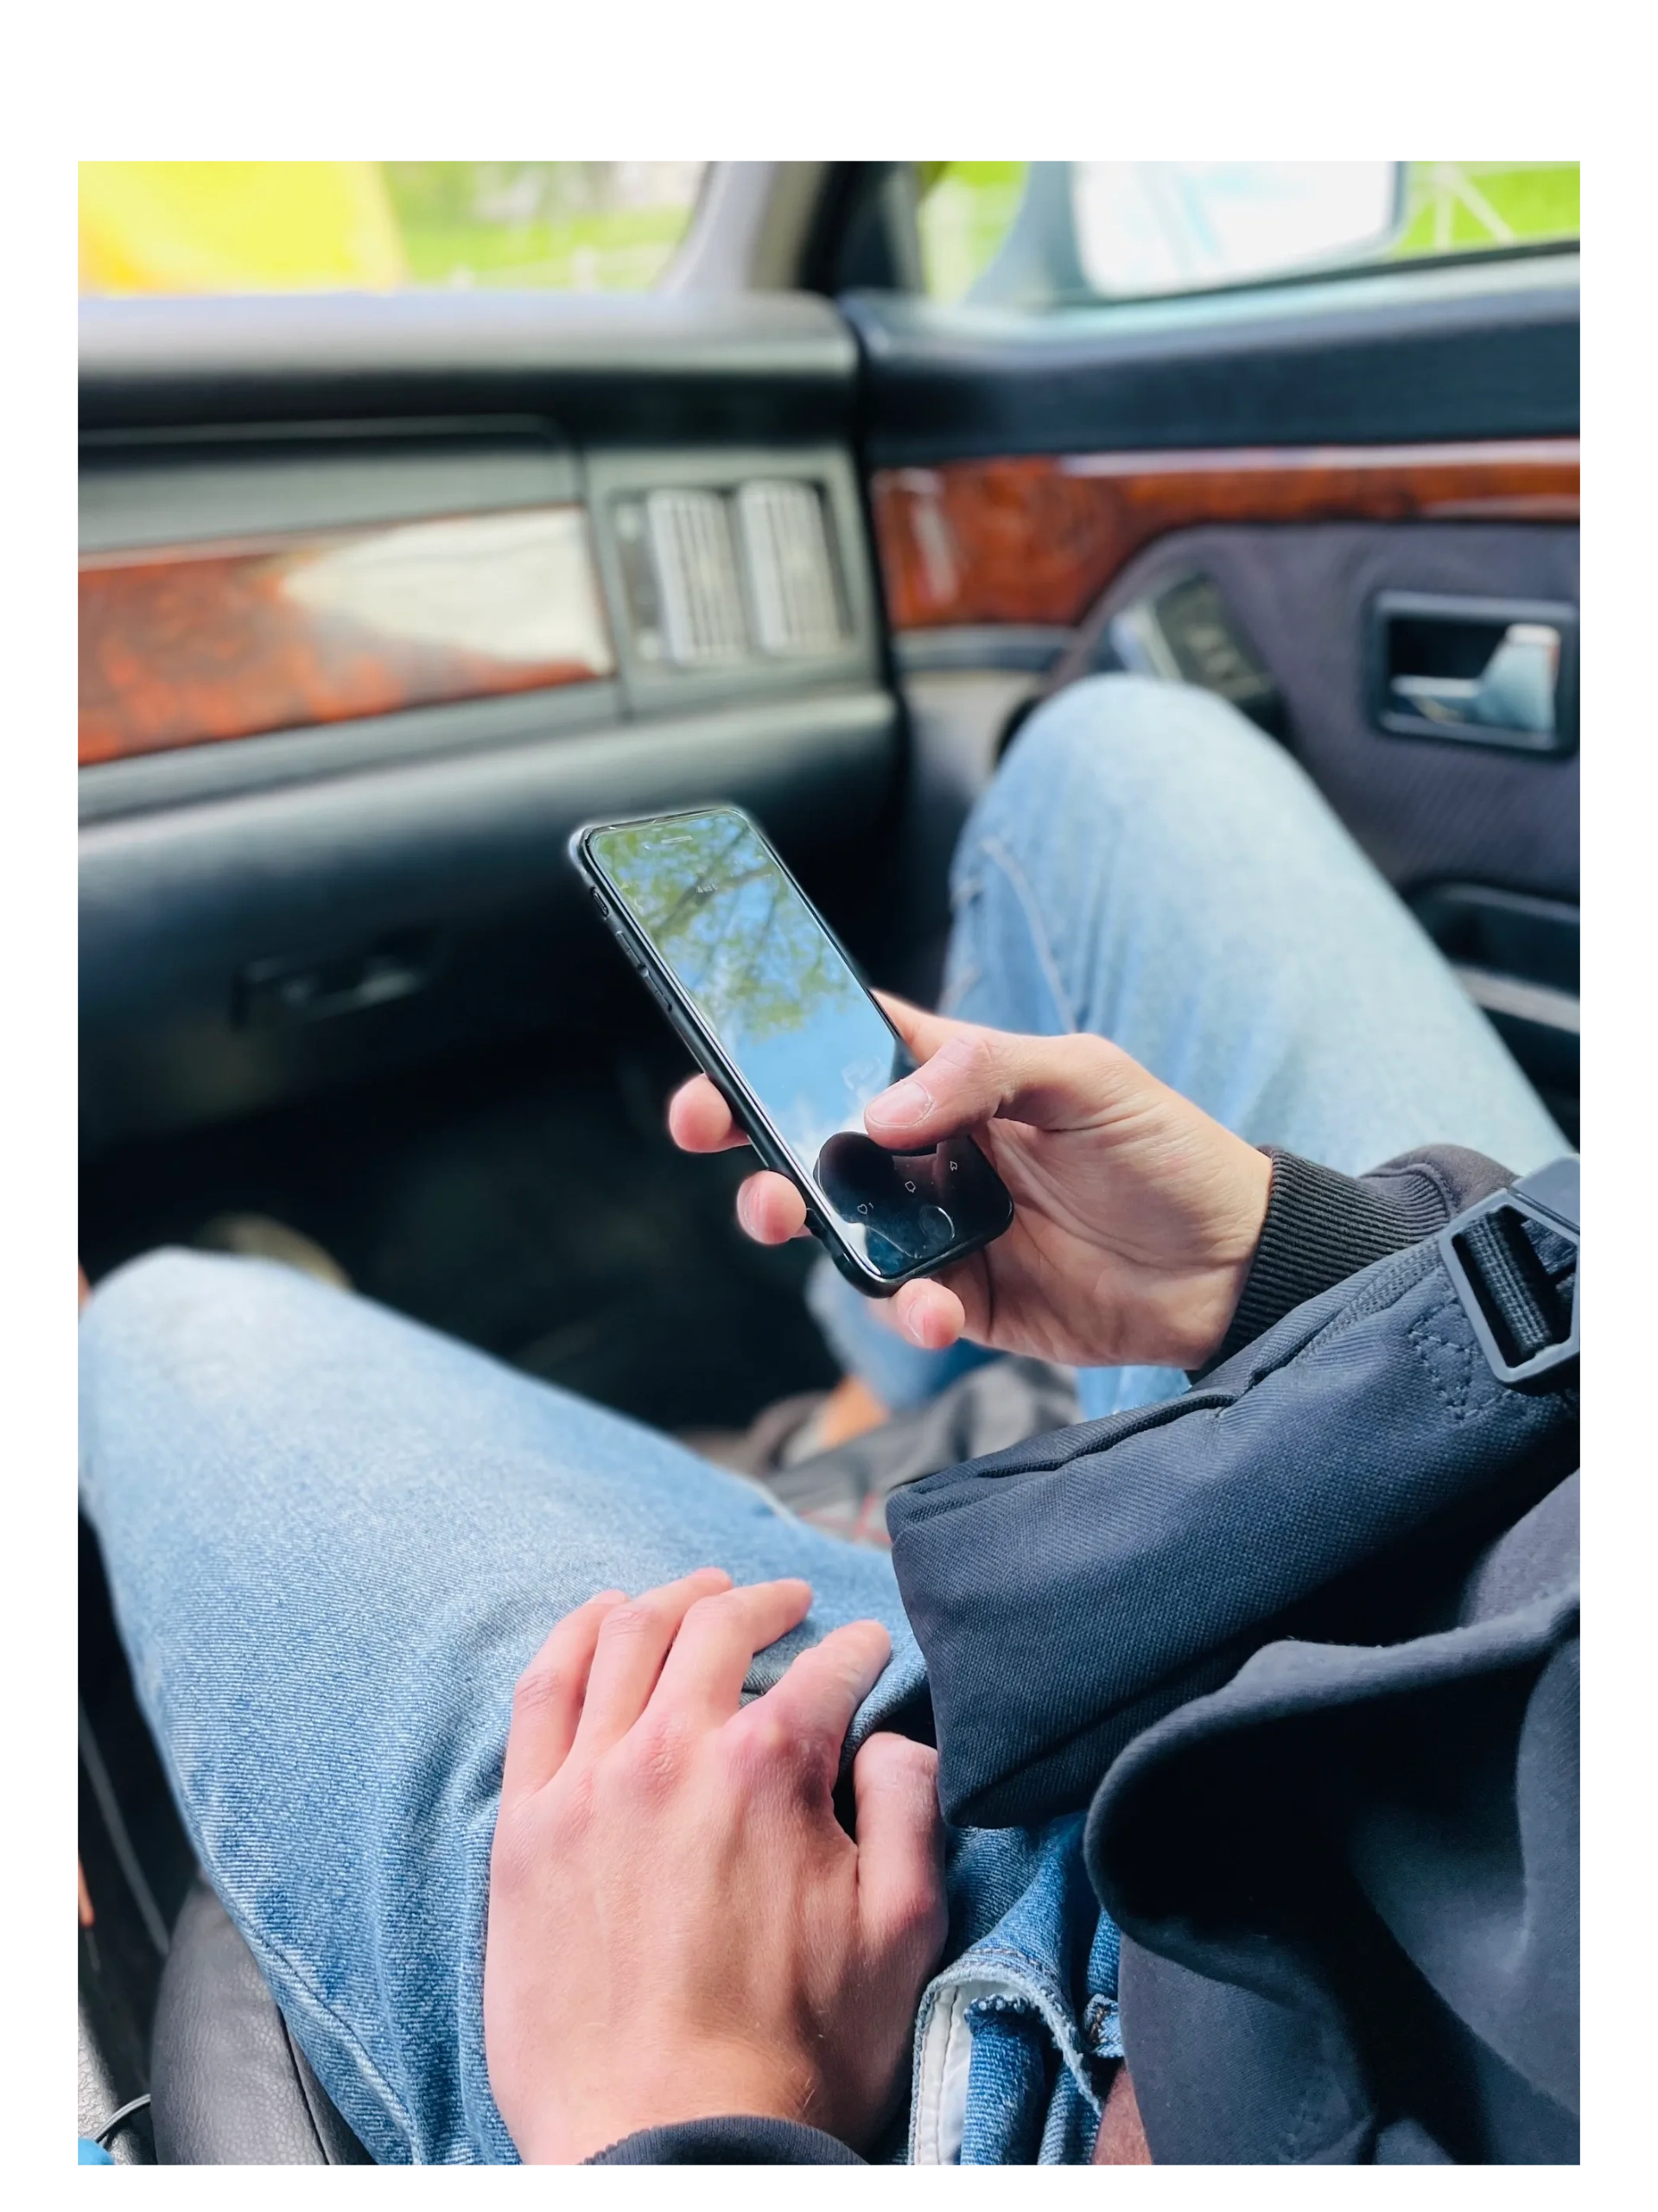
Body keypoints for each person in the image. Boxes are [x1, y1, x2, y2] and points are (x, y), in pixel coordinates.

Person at [75, 677, 1572, 2169]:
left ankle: (843, 1446)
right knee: (1114, 761)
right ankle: (855, 1423)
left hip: (1196, 2010)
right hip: (1476, 1538)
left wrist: (673, 2105)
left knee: (175, 1331)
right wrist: (1295, 1261)